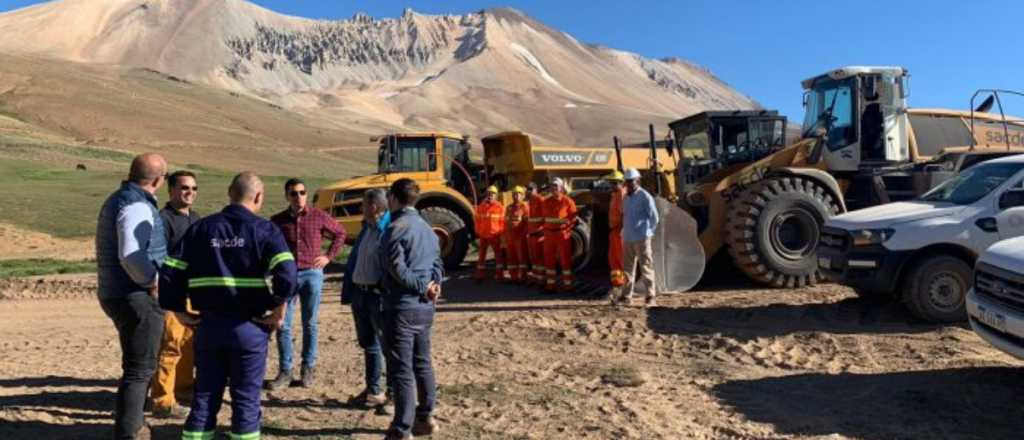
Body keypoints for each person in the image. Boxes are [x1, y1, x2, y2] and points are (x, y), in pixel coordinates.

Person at [159, 172, 298, 440]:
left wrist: (177, 309)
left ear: (230, 193)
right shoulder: (265, 230)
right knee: (246, 399)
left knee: (204, 397)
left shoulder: (201, 228)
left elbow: (171, 270)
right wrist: (278, 307)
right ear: (259, 196)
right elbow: (288, 275)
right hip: (249, 327)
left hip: (209, 326)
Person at [96, 153, 168, 440]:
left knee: (138, 366)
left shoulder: (118, 198)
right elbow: (131, 254)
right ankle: (130, 432)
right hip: (135, 295)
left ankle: (134, 426)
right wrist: (153, 280)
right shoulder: (136, 204)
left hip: (118, 292)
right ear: (159, 180)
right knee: (140, 369)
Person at [380, 178, 443, 440]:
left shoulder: (395, 229)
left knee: (402, 369)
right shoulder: (427, 228)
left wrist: (421, 287)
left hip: (401, 306)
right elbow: (437, 263)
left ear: (394, 198)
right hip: (424, 308)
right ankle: (425, 417)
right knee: (422, 362)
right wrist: (435, 285)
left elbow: (396, 269)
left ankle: (402, 429)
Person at [268, 178, 346, 389]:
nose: (299, 197)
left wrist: (328, 257)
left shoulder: (318, 216)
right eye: (294, 193)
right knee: (283, 323)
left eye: (302, 192)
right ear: (287, 196)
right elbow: (267, 245)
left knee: (310, 323)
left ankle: (308, 368)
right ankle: (285, 371)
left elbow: (340, 233)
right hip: (287, 277)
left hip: (312, 273)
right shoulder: (277, 221)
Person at [150, 170, 201, 419]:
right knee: (170, 345)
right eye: (184, 188)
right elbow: (158, 258)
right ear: (170, 190)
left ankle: (184, 390)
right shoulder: (163, 219)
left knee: (188, 344)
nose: (190, 192)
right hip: (171, 293)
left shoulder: (196, 218)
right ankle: (162, 400)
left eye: (193, 188)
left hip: (193, 292)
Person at [341, 188, 392, 410]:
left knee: (388, 346)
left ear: (374, 206)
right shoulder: (367, 229)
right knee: (369, 344)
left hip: (377, 296)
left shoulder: (388, 230)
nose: (360, 207)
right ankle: (373, 390)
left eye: (363, 204)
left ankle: (393, 394)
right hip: (360, 294)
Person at [612, 168, 661, 308]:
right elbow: (626, 216)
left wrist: (649, 232)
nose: (629, 184)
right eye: (627, 181)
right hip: (628, 237)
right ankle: (626, 296)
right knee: (627, 269)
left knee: (646, 266)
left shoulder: (645, 196)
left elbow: (654, 217)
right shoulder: (626, 198)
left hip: (642, 237)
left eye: (631, 181)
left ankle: (650, 296)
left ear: (637, 180)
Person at [542, 178, 577, 293]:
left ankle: (568, 285)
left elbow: (573, 217)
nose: (553, 188)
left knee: (565, 259)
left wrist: (567, 229)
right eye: (552, 186)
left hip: (562, 234)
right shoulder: (546, 201)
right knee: (549, 260)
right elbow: (543, 217)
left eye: (556, 186)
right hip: (549, 234)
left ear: (561, 188)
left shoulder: (567, 201)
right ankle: (550, 285)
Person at [473, 185, 506, 282]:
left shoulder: (500, 207)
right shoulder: (481, 206)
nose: (490, 195)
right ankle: (480, 275)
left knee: (498, 255)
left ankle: (499, 275)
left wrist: (500, 233)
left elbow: (503, 222)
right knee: (481, 255)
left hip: (494, 235)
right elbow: (477, 220)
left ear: (496, 195)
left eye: (492, 194)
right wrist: (478, 231)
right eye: (488, 193)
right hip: (483, 234)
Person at [604, 171, 628, 303]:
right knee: (613, 260)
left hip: (619, 232)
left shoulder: (622, 195)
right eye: (611, 183)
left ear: (621, 183)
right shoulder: (615, 195)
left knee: (621, 261)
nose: (611, 185)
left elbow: (625, 214)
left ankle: (624, 290)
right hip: (614, 231)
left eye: (614, 183)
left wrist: (622, 229)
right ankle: (617, 287)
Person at [504, 186, 530, 283]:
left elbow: (527, 222)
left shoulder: (524, 207)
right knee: (511, 258)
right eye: (514, 194)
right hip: (510, 237)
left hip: (520, 237)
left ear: (522, 195)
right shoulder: (509, 207)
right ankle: (513, 277)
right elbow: (506, 222)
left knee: (522, 257)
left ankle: (522, 277)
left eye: (518, 194)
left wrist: (525, 234)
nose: (516, 196)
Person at [525, 183, 546, 285]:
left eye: (530, 189)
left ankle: (541, 280)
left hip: (539, 234)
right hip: (532, 234)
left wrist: (542, 230)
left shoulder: (540, 200)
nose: (528, 191)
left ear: (536, 189)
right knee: (533, 259)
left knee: (539, 259)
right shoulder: (531, 201)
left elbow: (545, 217)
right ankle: (536, 278)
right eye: (527, 189)